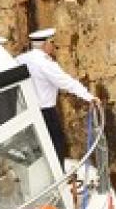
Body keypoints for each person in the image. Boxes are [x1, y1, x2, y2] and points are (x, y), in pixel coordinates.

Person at [14, 28, 99, 164]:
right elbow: (66, 82)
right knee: (57, 144)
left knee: (36, 148)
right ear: (45, 45)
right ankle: (59, 178)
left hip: (25, 112)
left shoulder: (20, 59)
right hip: (46, 112)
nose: (54, 46)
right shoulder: (45, 64)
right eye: (52, 42)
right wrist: (89, 97)